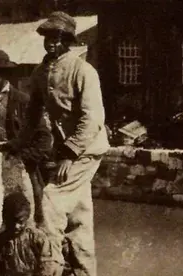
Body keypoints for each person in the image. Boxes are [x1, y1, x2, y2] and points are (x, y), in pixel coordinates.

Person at [11, 11, 110, 276]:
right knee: (79, 215)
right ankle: (84, 271)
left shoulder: (83, 70)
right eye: (48, 37)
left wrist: (68, 154)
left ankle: (49, 267)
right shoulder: (41, 71)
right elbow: (32, 113)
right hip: (70, 149)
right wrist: (17, 143)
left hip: (86, 149)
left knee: (51, 200)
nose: (51, 43)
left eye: (58, 38)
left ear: (67, 40)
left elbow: (93, 118)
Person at [0, 192, 57, 276]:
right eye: (12, 221)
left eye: (20, 222)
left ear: (26, 218)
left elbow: (48, 264)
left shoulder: (37, 237)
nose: (16, 226)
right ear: (5, 218)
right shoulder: (0, 240)